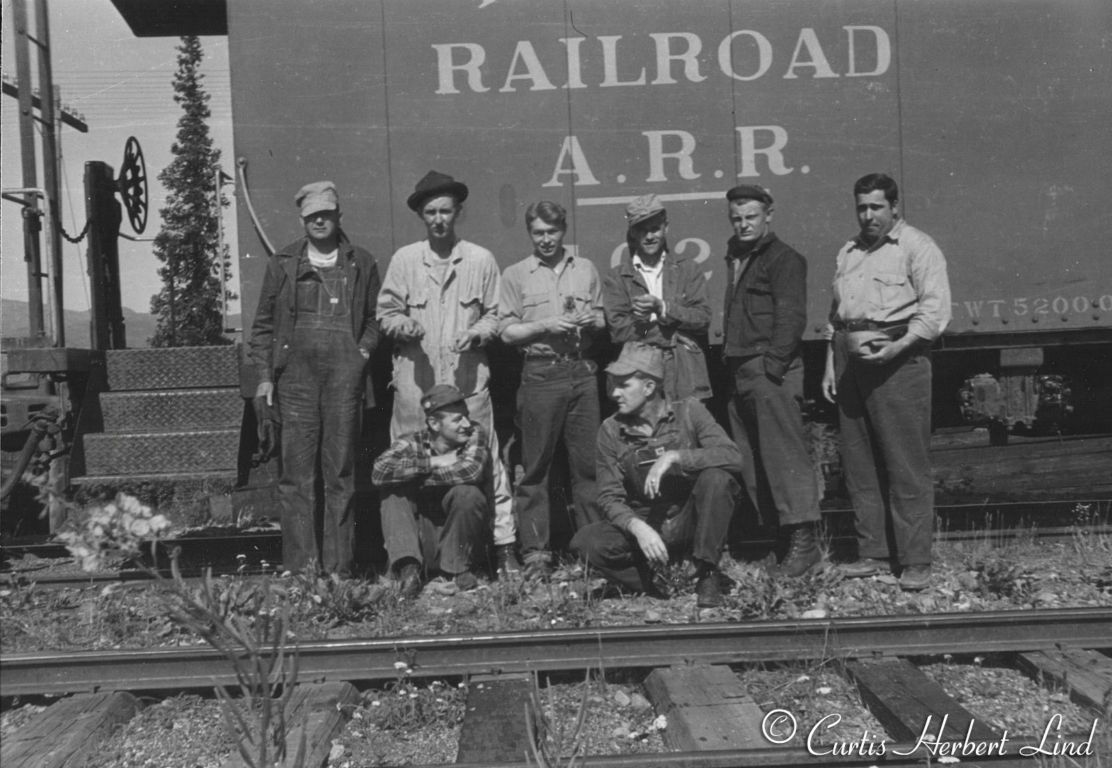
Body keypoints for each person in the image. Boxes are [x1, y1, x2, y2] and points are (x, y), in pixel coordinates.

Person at [376, 170, 519, 574]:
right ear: (421, 216)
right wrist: (402, 325)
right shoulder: (405, 260)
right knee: (402, 467)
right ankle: (407, 563)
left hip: (466, 383)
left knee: (488, 462)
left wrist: (478, 333)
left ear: (458, 213)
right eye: (430, 212)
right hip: (415, 385)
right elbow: (386, 312)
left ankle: (505, 547)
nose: (438, 219)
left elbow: (497, 314)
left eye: (446, 211)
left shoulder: (480, 259)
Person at [821, 173, 951, 591]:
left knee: (904, 462)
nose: (868, 215)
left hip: (897, 357)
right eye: (861, 207)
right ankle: (872, 553)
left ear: (895, 207)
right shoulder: (849, 250)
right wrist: (830, 364)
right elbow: (835, 315)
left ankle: (915, 561)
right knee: (859, 464)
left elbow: (933, 314)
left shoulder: (918, 247)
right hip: (849, 357)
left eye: (876, 207)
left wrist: (895, 350)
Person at [248, 181, 380, 577]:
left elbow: (375, 320)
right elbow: (263, 327)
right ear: (302, 219)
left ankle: (339, 569)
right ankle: (303, 572)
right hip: (295, 382)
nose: (319, 221)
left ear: (339, 215)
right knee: (296, 477)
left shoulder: (362, 261)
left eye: (326, 214)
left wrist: (362, 354)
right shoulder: (283, 262)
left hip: (344, 378)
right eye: (312, 216)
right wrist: (264, 378)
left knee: (340, 473)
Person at [570, 344, 744, 608]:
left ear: (649, 387)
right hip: (647, 522)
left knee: (718, 479)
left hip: (690, 518)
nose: (614, 393)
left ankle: (706, 571)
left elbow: (733, 456)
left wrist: (676, 457)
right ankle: (656, 580)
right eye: (613, 385)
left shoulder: (689, 411)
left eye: (624, 385)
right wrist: (637, 528)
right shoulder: (610, 430)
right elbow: (608, 497)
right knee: (586, 542)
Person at [499, 201, 605, 578]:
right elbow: (507, 332)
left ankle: (595, 550)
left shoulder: (586, 269)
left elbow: (603, 316)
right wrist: (547, 325)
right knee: (535, 468)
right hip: (540, 374)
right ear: (530, 234)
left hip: (580, 373)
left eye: (552, 232)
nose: (545, 239)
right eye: (538, 233)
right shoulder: (516, 274)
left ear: (564, 231)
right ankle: (536, 554)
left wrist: (594, 320)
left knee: (588, 467)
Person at [721, 184, 822, 577]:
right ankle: (783, 545)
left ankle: (805, 547)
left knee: (784, 461)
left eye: (751, 217)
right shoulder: (738, 256)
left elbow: (791, 317)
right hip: (743, 371)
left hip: (767, 372)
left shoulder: (783, 259)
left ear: (768, 216)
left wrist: (772, 368)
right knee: (755, 465)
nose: (743, 224)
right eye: (737, 218)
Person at [372, 385, 491, 597]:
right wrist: (431, 462)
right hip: (420, 541)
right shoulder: (410, 442)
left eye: (466, 416)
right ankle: (409, 570)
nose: (465, 424)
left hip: (459, 543)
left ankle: (456, 571)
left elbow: (470, 471)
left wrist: (415, 479)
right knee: (392, 493)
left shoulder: (475, 433)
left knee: (468, 493)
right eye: (457, 420)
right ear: (434, 424)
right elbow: (379, 473)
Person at [603, 194, 712, 401]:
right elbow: (619, 331)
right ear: (632, 232)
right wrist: (672, 335)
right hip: (638, 372)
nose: (649, 236)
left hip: (684, 371)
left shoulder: (688, 269)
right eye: (642, 230)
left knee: (685, 429)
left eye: (654, 228)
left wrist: (662, 308)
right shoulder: (616, 277)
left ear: (666, 228)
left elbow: (702, 318)